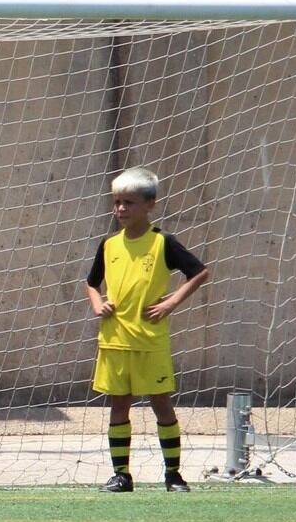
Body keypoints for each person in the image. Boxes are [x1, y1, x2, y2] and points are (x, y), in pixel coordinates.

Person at [84, 167, 210, 493]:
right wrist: (98, 305)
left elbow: (199, 272)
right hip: (114, 340)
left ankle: (173, 475)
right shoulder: (109, 244)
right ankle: (121, 475)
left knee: (161, 404)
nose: (121, 209)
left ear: (150, 205)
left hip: (149, 340)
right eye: (117, 202)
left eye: (129, 202)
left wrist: (170, 304)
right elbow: (91, 284)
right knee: (118, 406)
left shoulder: (162, 242)